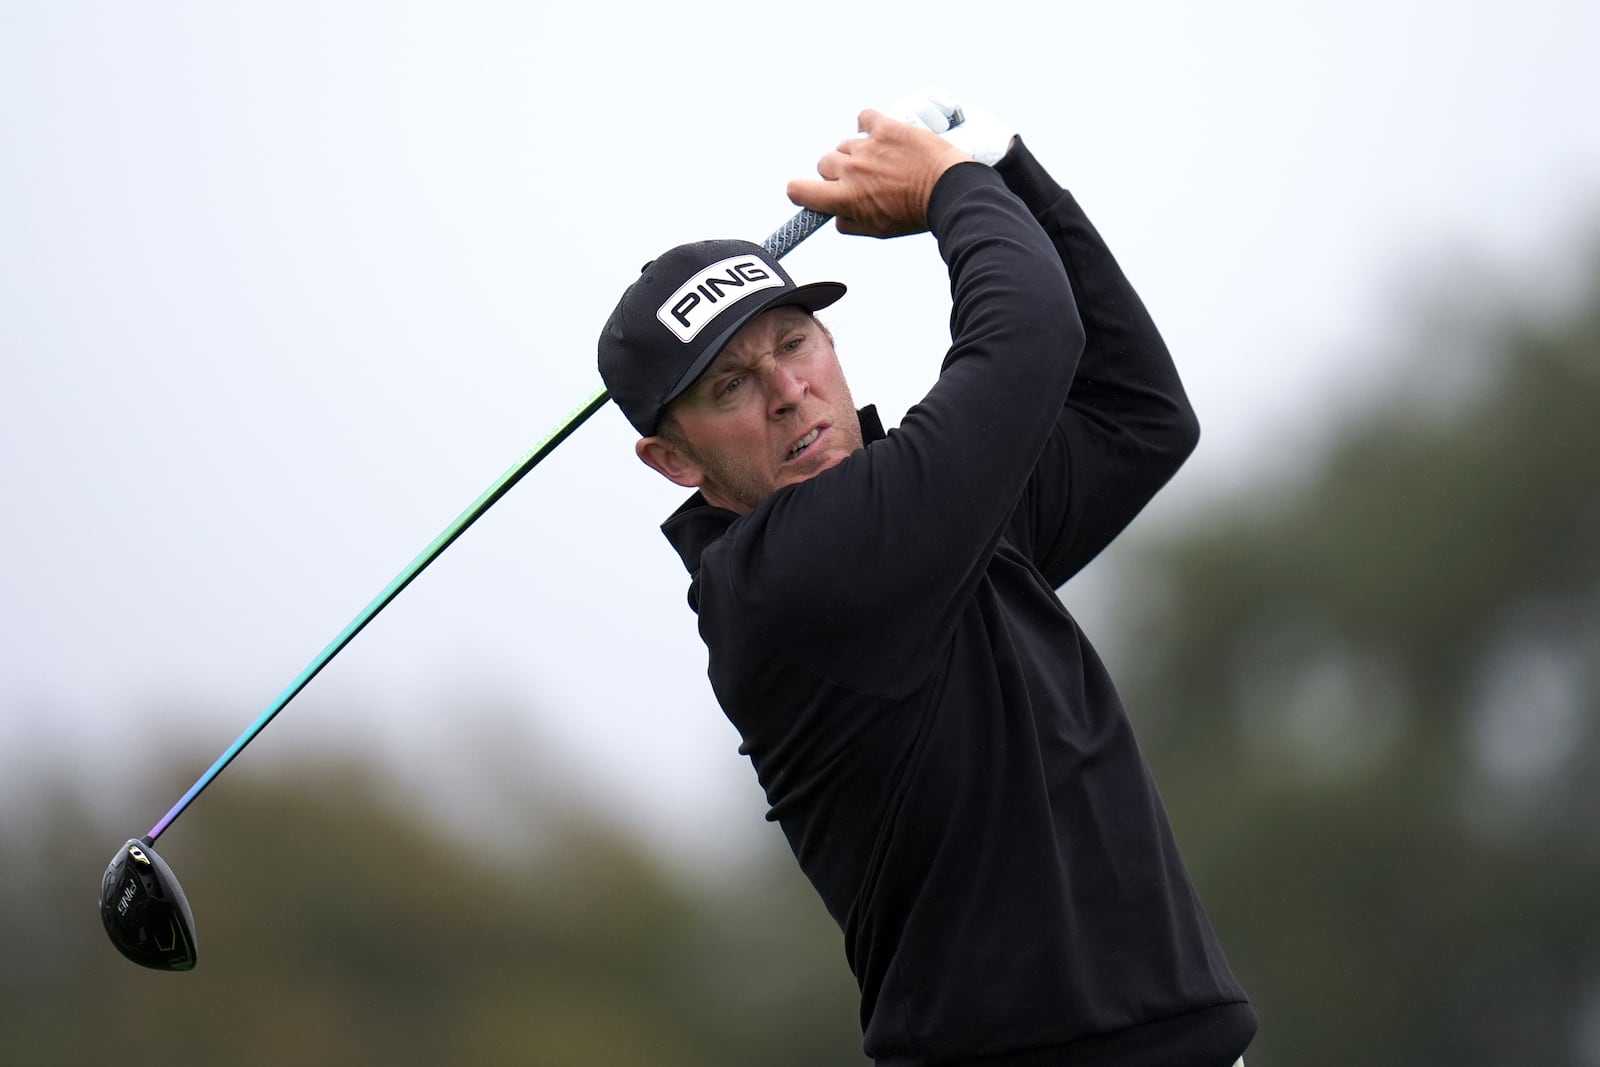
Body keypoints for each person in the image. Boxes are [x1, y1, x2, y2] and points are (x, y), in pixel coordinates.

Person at [597, 93, 1256, 1067]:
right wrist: (953, 185)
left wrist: (1006, 167)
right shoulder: (788, 579)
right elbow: (1028, 338)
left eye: (793, 341)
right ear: (673, 460)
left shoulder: (927, 520)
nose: (787, 390)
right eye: (728, 385)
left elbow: (1136, 416)